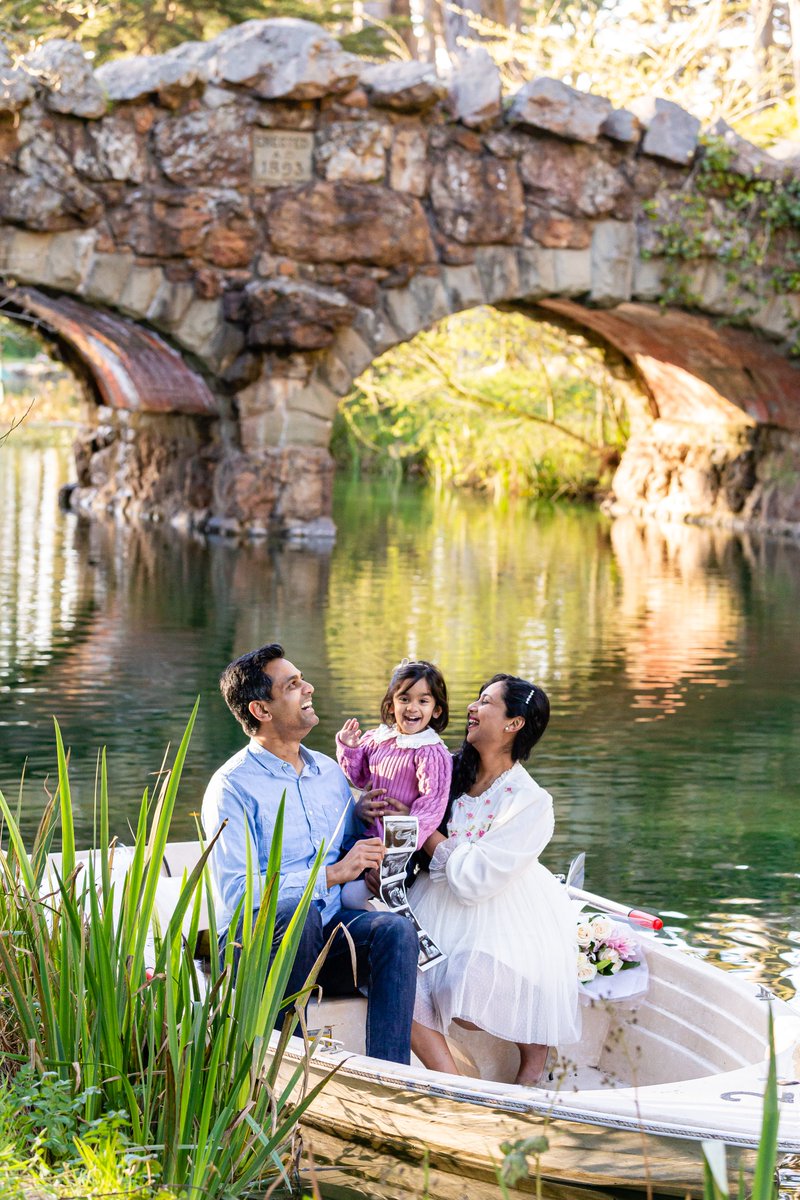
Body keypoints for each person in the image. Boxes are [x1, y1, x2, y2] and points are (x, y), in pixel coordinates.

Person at [201, 643, 419, 1064]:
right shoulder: (232, 786)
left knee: (395, 931)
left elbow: (350, 851)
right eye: (294, 685)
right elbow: (239, 894)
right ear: (261, 710)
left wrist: (381, 854)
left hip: (328, 938)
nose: (309, 689)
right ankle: (279, 1064)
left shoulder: (329, 773)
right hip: (254, 946)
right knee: (297, 915)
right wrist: (334, 874)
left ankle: (393, 1076)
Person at [407, 673, 580, 1086]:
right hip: (431, 898)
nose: (471, 708)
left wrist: (423, 825)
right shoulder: (444, 772)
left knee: (465, 988)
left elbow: (474, 882)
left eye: (485, 702)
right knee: (401, 980)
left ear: (512, 724)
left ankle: (534, 1050)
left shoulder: (530, 801)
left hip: (499, 907)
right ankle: (452, 1082)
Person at [336, 659, 453, 909]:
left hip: (398, 848)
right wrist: (349, 747)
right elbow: (359, 777)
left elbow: (430, 808)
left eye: (423, 701)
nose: (412, 708)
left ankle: (379, 922)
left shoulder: (431, 753)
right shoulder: (380, 739)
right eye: (404, 699)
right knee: (337, 886)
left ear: (436, 710)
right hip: (366, 837)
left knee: (351, 897)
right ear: (391, 705)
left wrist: (396, 851)